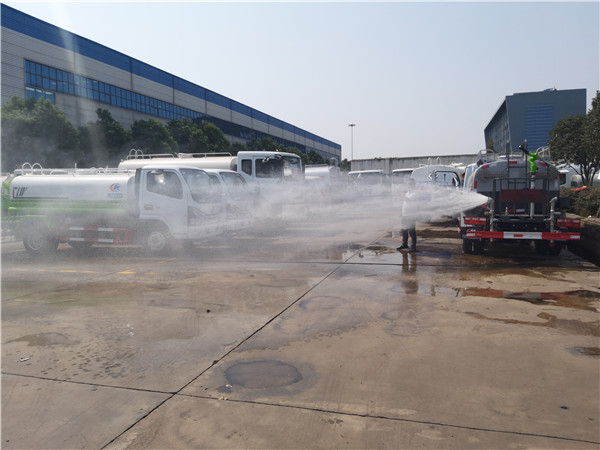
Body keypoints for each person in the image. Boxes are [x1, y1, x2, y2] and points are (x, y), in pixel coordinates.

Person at [397, 178, 418, 252]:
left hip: (411, 215)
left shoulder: (415, 193)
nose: (408, 185)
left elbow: (408, 200)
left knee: (411, 231)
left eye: (410, 184)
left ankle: (413, 246)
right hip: (405, 214)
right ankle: (404, 244)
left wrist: (400, 194)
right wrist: (402, 212)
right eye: (407, 184)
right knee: (404, 230)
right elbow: (405, 203)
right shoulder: (408, 192)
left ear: (413, 185)